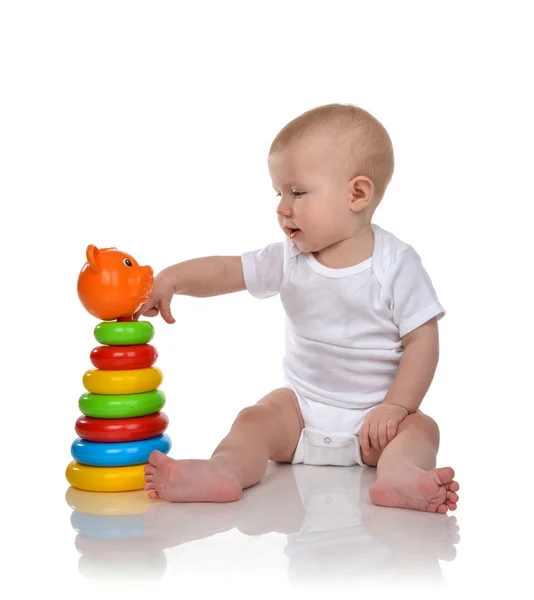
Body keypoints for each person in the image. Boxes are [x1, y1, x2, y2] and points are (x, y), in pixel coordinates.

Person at [136, 103, 460, 513]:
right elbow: (227, 271)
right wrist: (173, 280)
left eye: (298, 192)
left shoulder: (396, 264)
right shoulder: (290, 258)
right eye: (279, 193)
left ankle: (399, 476)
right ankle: (225, 470)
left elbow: (422, 339)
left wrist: (396, 406)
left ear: (357, 194)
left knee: (421, 429)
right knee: (255, 418)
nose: (282, 207)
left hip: (376, 422)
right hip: (301, 413)